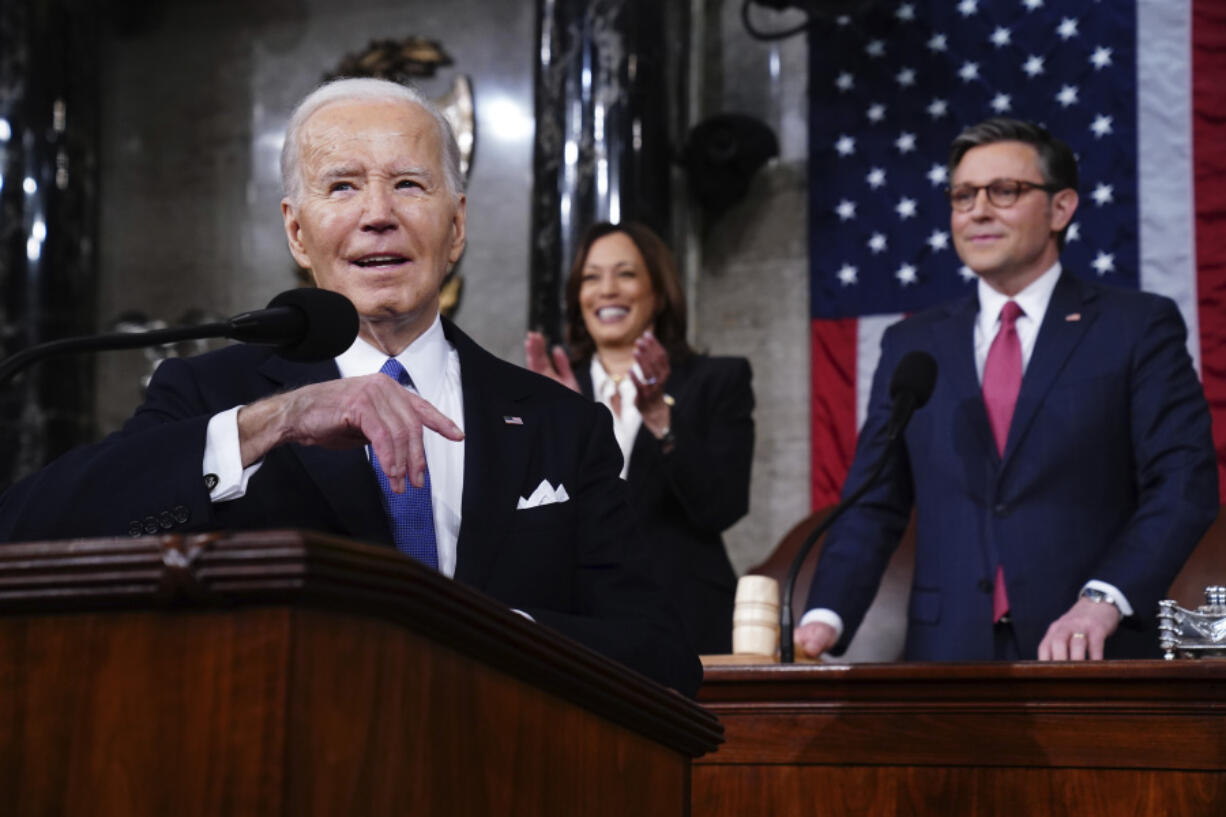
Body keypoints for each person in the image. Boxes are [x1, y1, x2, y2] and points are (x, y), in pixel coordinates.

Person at [0, 78, 702, 695]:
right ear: (297, 232)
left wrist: (497, 635)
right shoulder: (214, 394)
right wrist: (271, 423)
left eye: (408, 183)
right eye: (342, 185)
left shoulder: (559, 422)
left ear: (455, 226)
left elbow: (663, 654)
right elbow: (28, 532)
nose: (377, 214)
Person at [796, 117, 1218, 662]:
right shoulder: (913, 344)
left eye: (1005, 191)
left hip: (1093, 649)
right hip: (947, 656)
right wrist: (824, 617)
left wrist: (1104, 599)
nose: (977, 210)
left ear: (1061, 208)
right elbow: (874, 502)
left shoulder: (1135, 327)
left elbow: (1183, 483)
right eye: (963, 195)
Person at [524, 222, 754, 654]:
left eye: (625, 274)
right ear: (578, 297)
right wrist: (565, 429)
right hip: (576, 625)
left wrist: (660, 418)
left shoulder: (717, 381)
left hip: (687, 623)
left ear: (658, 292)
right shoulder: (549, 391)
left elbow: (722, 507)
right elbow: (534, 519)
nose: (607, 289)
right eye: (592, 278)